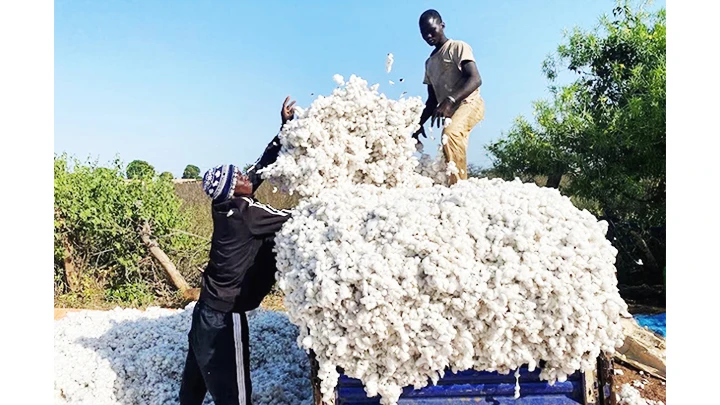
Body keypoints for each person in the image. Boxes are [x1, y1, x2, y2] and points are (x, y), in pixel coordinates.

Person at [178, 98, 297, 405]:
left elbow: (259, 168)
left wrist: (283, 127)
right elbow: (298, 220)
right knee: (235, 396)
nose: (247, 177)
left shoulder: (225, 206)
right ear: (235, 190)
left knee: (193, 387)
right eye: (241, 179)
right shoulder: (247, 214)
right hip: (223, 318)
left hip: (205, 312)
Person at [413, 9, 485, 185]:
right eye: (424, 33)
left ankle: (459, 188)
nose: (428, 36)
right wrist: (417, 124)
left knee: (451, 134)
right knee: (448, 145)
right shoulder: (429, 63)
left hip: (470, 102)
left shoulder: (457, 47)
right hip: (451, 111)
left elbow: (475, 78)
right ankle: (450, 183)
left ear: (442, 25)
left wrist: (450, 100)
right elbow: (431, 100)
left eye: (432, 30)